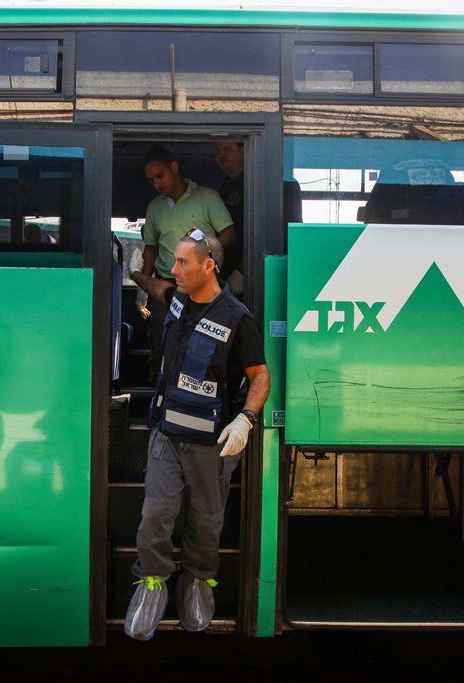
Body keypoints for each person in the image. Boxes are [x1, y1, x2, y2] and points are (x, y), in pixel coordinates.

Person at [124, 229, 270, 641]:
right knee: (155, 516)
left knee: (206, 524)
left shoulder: (238, 319)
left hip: (211, 445)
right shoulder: (175, 299)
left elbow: (260, 378)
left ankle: (198, 582)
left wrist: (245, 420)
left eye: (183, 263)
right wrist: (136, 273)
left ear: (209, 265)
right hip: (167, 434)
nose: (175, 269)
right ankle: (152, 585)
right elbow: (155, 284)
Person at [137, 145, 236, 383]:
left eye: (160, 176)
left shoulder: (207, 197)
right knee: (164, 340)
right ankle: (162, 397)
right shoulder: (155, 207)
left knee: (201, 342)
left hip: (202, 284)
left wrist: (203, 260)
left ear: (174, 167)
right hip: (166, 285)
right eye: (151, 180)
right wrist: (143, 289)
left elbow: (229, 234)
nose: (157, 184)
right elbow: (150, 249)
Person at [214, 140, 245, 295]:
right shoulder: (224, 186)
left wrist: (241, 268)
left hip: (247, 271)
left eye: (227, 149)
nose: (221, 156)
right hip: (225, 269)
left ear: (244, 150)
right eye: (218, 151)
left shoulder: (255, 183)